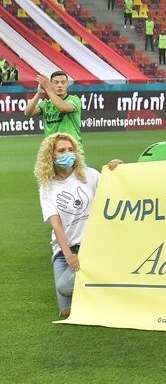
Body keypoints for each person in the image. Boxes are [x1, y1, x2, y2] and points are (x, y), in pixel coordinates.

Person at [35, 133, 103, 317]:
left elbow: (114, 191)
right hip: (64, 250)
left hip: (90, 246)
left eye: (71, 150)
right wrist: (68, 255)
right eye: (62, 151)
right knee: (66, 310)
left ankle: (96, 284)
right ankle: (93, 287)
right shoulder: (47, 187)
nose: (68, 154)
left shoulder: (90, 175)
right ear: (51, 156)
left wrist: (116, 169)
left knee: (65, 286)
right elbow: (56, 224)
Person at [24, 71, 83, 148]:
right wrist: (39, 93)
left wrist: (47, 88)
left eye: (63, 82)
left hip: (71, 150)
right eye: (56, 82)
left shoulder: (74, 100)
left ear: (67, 84)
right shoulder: (46, 104)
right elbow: (28, 112)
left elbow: (63, 108)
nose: (60, 85)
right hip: (52, 150)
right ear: (51, 85)